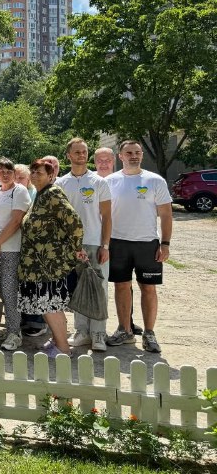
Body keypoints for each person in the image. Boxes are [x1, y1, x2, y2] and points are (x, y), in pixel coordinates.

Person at [104, 140, 172, 353]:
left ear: (142, 155)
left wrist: (165, 243)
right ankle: (125, 330)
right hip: (117, 243)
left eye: (137, 152)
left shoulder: (155, 181)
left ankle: (149, 334)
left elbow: (166, 214)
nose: (133, 156)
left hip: (147, 244)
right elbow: (103, 215)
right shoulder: (109, 181)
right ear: (120, 156)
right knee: (121, 286)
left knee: (148, 288)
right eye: (128, 152)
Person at [18, 159, 84, 358]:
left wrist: (76, 247)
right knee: (48, 305)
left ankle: (63, 348)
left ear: (50, 176)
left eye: (40, 172)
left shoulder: (53, 193)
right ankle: (57, 341)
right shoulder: (40, 195)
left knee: (50, 305)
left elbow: (74, 221)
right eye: (33, 172)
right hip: (38, 264)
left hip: (49, 263)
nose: (36, 175)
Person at [57, 138, 112, 352]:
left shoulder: (99, 182)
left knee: (98, 288)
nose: (81, 155)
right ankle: (81, 331)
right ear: (69, 155)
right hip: (71, 246)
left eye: (84, 152)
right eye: (77, 152)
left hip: (94, 243)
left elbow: (107, 217)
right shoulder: (61, 183)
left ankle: (98, 333)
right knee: (78, 289)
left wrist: (105, 245)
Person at [94, 146, 142, 337]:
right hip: (96, 239)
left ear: (114, 160)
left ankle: (126, 322)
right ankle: (97, 327)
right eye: (100, 160)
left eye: (108, 160)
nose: (104, 163)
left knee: (124, 283)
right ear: (94, 162)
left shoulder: (122, 180)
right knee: (98, 283)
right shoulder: (92, 181)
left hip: (119, 238)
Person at [0, 158, 32, 351]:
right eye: (1, 171)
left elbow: (16, 221)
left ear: (14, 173)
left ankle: (14, 334)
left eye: (9, 171)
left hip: (11, 249)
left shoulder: (19, 191)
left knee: (10, 291)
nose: (5, 174)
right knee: (4, 292)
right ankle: (11, 328)